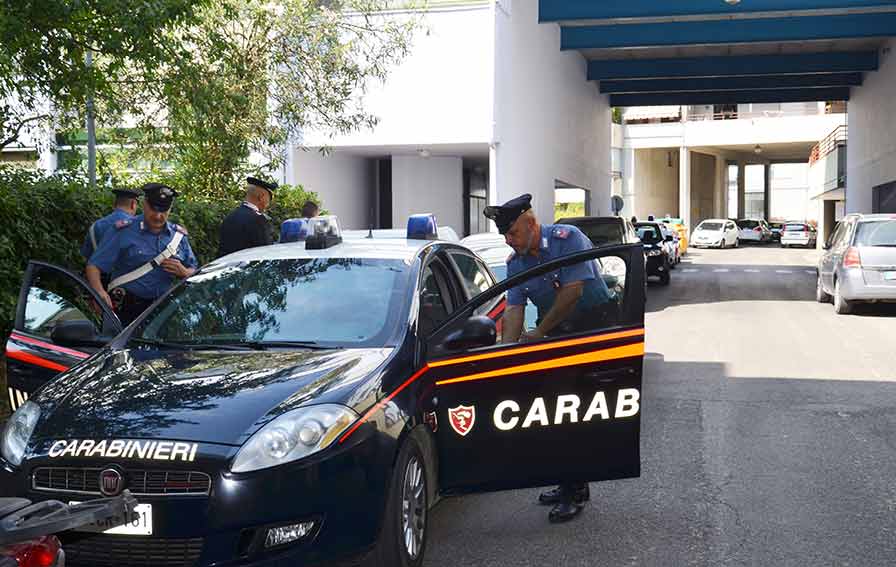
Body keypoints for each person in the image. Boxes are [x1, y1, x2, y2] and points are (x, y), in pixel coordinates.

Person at [483, 193, 612, 524]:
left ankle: (572, 490)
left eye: (512, 233)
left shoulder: (568, 240)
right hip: (555, 335)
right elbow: (513, 310)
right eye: (505, 236)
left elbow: (573, 292)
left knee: (571, 413)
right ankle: (570, 482)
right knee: (556, 414)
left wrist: (539, 332)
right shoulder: (517, 263)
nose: (509, 241)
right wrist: (507, 355)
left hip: (592, 329)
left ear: (530, 223)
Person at [86, 183, 198, 325]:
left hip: (162, 313)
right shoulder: (123, 231)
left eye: (163, 211)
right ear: (144, 204)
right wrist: (99, 293)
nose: (158, 216)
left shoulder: (178, 236)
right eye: (154, 209)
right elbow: (94, 266)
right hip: (126, 310)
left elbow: (195, 271)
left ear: (170, 209)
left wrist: (184, 272)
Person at [218, 177, 277, 256]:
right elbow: (265, 251)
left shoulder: (230, 217)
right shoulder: (258, 220)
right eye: (269, 200)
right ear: (261, 197)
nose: (268, 204)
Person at [80, 188, 142, 260]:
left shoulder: (95, 226)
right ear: (133, 204)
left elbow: (86, 256)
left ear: (114, 204)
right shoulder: (138, 226)